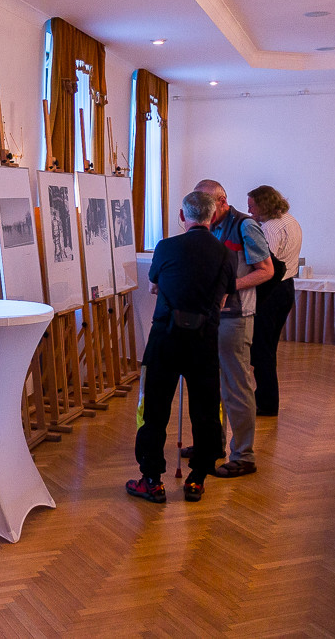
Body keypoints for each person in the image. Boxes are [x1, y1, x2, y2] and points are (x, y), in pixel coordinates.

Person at [127, 191, 235, 503]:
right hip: (204, 342)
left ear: (181, 215)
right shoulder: (225, 254)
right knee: (206, 412)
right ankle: (197, 479)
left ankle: (152, 480)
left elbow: (153, 286)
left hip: (165, 339)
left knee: (154, 410)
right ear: (212, 216)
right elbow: (223, 300)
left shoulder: (166, 246)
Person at [193, 179, 273, 479]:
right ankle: (213, 444)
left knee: (236, 387)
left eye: (206, 205)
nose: (202, 212)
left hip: (236, 318)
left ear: (222, 201)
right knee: (209, 385)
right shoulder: (207, 227)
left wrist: (228, 286)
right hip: (210, 317)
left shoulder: (245, 226)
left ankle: (244, 455)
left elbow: (266, 270)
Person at [247, 185, 302, 416]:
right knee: (268, 347)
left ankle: (267, 402)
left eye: (252, 207)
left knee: (262, 349)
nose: (250, 212)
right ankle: (265, 397)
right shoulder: (290, 220)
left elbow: (264, 264)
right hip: (286, 288)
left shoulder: (270, 227)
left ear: (264, 204)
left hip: (272, 290)